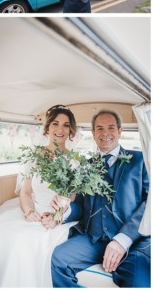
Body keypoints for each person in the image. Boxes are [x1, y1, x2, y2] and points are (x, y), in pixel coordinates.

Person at [0, 105, 79, 287]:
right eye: (55, 123)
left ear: (71, 130)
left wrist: (57, 215)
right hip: (32, 207)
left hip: (56, 216)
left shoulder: (74, 160)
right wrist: (29, 212)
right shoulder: (35, 155)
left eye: (66, 125)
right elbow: (26, 192)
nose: (60, 129)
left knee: (23, 241)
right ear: (47, 128)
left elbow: (72, 198)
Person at [49, 110, 150, 288]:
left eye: (111, 128)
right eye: (99, 128)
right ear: (93, 133)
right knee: (59, 258)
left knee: (138, 281)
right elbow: (80, 205)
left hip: (132, 241)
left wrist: (123, 239)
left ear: (120, 131)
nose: (105, 133)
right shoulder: (86, 166)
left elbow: (150, 203)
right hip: (93, 239)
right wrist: (66, 210)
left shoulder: (140, 160)